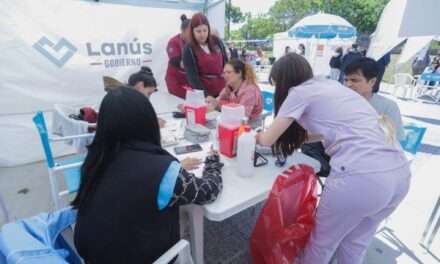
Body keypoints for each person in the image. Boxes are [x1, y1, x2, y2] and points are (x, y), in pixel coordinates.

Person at [256, 53, 410, 264]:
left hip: (362, 177)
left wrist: (254, 136)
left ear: (283, 80)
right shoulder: (331, 86)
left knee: (321, 243)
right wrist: (297, 140)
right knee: (356, 242)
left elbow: (267, 139)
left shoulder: (298, 92)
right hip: (399, 174)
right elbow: (331, 131)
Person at [73, 87, 223, 263]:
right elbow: (208, 192)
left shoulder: (95, 158)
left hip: (92, 253)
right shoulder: (163, 171)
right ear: (147, 121)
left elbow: (129, 179)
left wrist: (174, 169)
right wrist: (213, 163)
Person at [344, 57, 404, 140]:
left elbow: (393, 141)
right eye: (346, 80)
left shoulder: (387, 107)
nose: (348, 84)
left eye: (354, 80)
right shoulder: (340, 103)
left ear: (372, 82)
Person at [183, 12, 228, 97]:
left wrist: (229, 87)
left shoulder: (217, 41)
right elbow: (192, 77)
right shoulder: (188, 49)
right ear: (192, 31)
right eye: (198, 31)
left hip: (223, 90)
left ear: (209, 29)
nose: (202, 34)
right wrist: (205, 96)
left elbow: (227, 63)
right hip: (204, 92)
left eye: (205, 30)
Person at [165, 14, 191, 99]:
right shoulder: (174, 42)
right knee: (177, 102)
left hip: (188, 80)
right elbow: (174, 60)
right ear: (183, 31)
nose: (192, 35)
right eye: (189, 33)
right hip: (175, 81)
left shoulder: (193, 42)